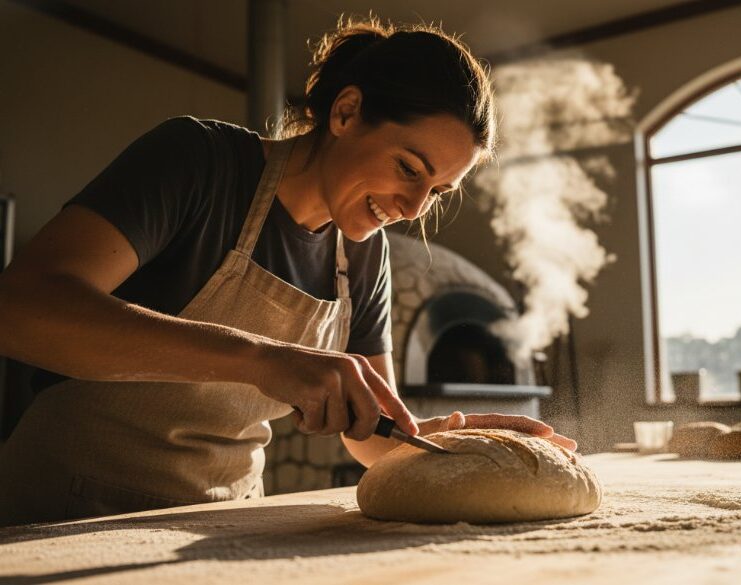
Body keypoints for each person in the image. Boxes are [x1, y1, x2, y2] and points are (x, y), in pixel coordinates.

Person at [0, 16, 575, 527]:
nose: (415, 207)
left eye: (438, 191)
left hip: (219, 522)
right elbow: (22, 309)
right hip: (62, 512)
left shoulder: (364, 253)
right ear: (346, 112)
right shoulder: (199, 162)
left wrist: (448, 437)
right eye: (408, 167)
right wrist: (263, 359)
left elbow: (372, 433)